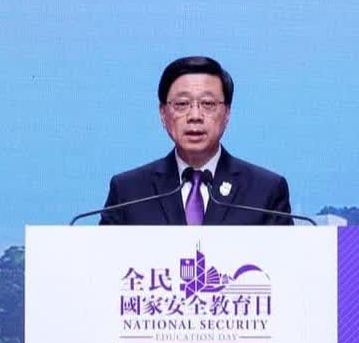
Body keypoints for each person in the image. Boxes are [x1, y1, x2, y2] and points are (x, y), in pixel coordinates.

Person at [99, 56, 292, 225]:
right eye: (182, 104)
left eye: (208, 104)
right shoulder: (128, 193)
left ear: (227, 113)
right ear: (163, 114)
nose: (195, 116)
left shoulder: (266, 192)